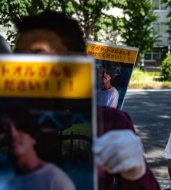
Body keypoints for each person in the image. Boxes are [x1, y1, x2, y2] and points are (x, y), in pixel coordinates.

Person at [13, 10, 159, 190]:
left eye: (38, 55)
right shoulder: (8, 121)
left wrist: (136, 173)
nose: (24, 66)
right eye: (18, 56)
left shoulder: (110, 123)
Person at [0, 110, 75, 190]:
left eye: (19, 128)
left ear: (33, 137)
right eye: (6, 129)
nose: (13, 134)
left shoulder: (55, 180)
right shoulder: (6, 183)